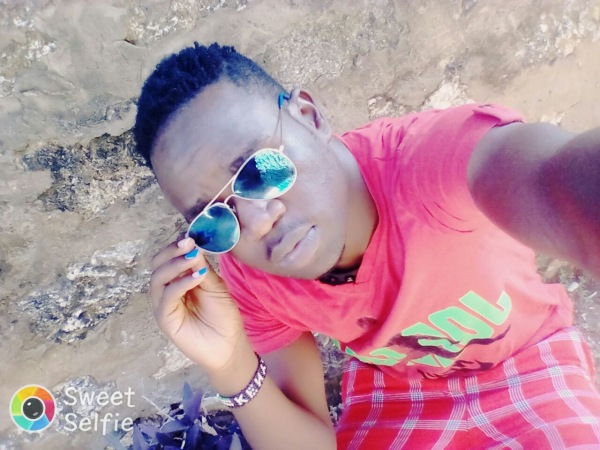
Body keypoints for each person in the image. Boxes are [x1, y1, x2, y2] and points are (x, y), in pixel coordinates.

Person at [133, 42, 600, 449]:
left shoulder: (432, 163)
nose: (256, 223)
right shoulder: (253, 275)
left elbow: (557, 180)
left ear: (309, 117)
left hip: (529, 361)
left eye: (259, 168)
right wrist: (231, 363)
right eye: (214, 217)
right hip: (395, 392)